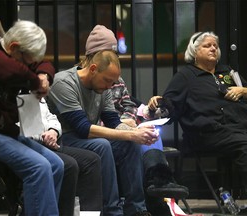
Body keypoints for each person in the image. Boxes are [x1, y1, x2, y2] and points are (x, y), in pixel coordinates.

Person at [47, 25, 159, 216]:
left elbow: (113, 121)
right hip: (63, 138)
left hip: (86, 138)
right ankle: (112, 211)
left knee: (129, 144)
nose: (110, 87)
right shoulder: (63, 82)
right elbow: (82, 128)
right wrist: (130, 134)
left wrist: (138, 133)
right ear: (92, 69)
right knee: (103, 145)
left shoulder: (103, 87)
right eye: (108, 81)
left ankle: (136, 210)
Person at [0, 18, 64, 215]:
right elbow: (11, 70)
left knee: (56, 164)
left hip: (1, 130)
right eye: (27, 61)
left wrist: (44, 75)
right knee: (39, 167)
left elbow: (44, 64)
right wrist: (36, 82)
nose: (29, 66)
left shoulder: (10, 52)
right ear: (14, 47)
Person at [148, 31, 247, 197]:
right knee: (245, 145)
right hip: (208, 133)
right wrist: (156, 103)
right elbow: (168, 107)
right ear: (194, 52)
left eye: (215, 45)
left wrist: (243, 90)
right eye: (207, 46)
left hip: (239, 128)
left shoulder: (227, 72)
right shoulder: (186, 76)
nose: (213, 48)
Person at [111, 76, 189, 216]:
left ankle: (159, 181)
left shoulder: (117, 80)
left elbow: (133, 106)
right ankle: (158, 186)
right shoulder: (89, 86)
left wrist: (154, 108)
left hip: (128, 126)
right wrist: (120, 123)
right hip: (108, 132)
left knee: (150, 130)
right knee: (139, 136)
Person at [28, 97, 103, 215]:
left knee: (91, 160)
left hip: (52, 142)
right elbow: (22, 129)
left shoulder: (37, 93)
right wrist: (43, 137)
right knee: (68, 165)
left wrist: (53, 131)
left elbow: (51, 117)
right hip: (32, 144)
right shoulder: (19, 94)